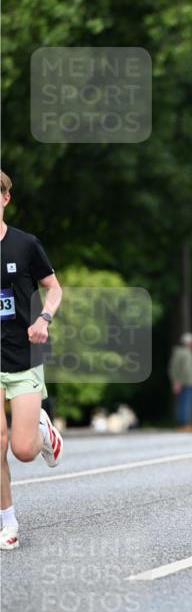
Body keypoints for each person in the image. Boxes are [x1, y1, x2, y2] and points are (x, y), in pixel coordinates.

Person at [0, 170, 63, 551]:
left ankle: (43, 433)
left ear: (5, 198)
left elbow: (53, 289)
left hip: (23, 357)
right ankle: (7, 520)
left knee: (23, 450)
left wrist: (44, 319)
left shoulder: (25, 246)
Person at [168, 333, 192, 431]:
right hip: (183, 382)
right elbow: (174, 368)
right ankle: (182, 424)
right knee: (184, 403)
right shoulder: (180, 352)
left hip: (190, 382)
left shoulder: (189, 352)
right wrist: (176, 381)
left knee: (186, 403)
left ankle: (185, 424)